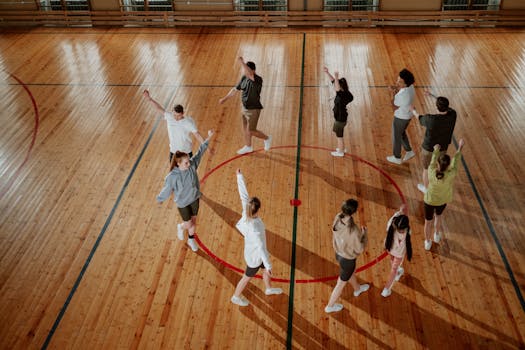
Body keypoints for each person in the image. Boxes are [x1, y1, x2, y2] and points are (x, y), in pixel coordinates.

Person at [231, 169, 282, 307]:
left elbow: (243, 195)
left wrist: (239, 177)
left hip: (255, 253)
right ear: (257, 210)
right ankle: (236, 296)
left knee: (265, 270)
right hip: (255, 257)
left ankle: (268, 288)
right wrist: (269, 264)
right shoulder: (255, 230)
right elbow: (260, 248)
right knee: (246, 278)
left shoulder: (246, 210)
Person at [157, 130, 214, 252]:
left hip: (194, 199)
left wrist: (208, 138)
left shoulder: (192, 165)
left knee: (193, 222)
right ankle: (181, 226)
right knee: (188, 225)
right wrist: (160, 199)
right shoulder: (173, 176)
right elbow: (167, 189)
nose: (189, 163)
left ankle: (191, 239)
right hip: (183, 203)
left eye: (189, 161)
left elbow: (199, 153)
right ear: (178, 164)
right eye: (186, 162)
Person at [219, 57, 271, 155]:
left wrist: (241, 62)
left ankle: (267, 138)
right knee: (245, 128)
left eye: (247, 69)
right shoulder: (244, 78)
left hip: (254, 109)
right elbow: (235, 89)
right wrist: (224, 98)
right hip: (244, 107)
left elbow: (250, 74)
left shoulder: (258, 79)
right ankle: (248, 147)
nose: (245, 72)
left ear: (253, 70)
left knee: (251, 130)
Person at [325, 199, 369, 313]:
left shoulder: (337, 218)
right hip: (348, 260)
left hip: (338, 254)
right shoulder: (353, 231)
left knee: (350, 273)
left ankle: (357, 289)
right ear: (353, 212)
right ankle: (330, 306)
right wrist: (364, 235)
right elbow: (360, 248)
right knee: (340, 284)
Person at [411, 91, 457, 193]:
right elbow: (447, 107)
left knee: (426, 169)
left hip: (428, 149)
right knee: (438, 167)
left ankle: (426, 189)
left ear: (436, 107)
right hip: (443, 148)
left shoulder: (431, 119)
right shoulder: (453, 115)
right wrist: (432, 96)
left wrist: (413, 111)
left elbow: (419, 117)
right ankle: (437, 184)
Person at [423, 139, 465, 251]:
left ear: (438, 163)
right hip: (442, 201)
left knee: (428, 222)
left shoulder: (432, 171)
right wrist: (459, 148)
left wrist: (436, 150)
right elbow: (456, 162)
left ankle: (427, 242)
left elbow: (432, 162)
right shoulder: (451, 174)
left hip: (429, 201)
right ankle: (436, 235)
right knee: (438, 217)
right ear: (448, 166)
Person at [143, 90, 205, 162]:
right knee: (173, 172)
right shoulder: (170, 117)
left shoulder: (189, 122)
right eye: (174, 115)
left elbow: (197, 135)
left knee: (189, 172)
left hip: (186, 152)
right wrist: (149, 99)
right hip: (174, 152)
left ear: (183, 113)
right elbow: (158, 108)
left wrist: (207, 147)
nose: (176, 118)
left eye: (178, 116)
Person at [381, 205, 412, 297]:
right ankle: (386, 289)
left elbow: (395, 218)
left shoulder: (391, 224)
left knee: (393, 263)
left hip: (389, 248)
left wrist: (400, 212)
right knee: (393, 270)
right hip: (398, 254)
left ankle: (398, 272)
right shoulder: (408, 232)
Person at [323, 67, 354, 157]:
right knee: (339, 134)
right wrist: (327, 73)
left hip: (340, 119)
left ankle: (340, 152)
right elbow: (334, 82)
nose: (335, 85)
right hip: (342, 118)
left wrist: (336, 77)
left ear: (340, 86)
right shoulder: (345, 93)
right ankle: (342, 148)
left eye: (337, 84)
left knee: (339, 137)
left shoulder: (341, 95)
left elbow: (336, 86)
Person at [386, 69, 416, 165]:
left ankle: (397, 157)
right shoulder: (410, 87)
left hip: (400, 117)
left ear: (405, 84)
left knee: (396, 136)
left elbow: (393, 107)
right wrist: (396, 88)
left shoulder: (403, 96)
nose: (397, 82)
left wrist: (391, 92)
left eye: (400, 82)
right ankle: (409, 151)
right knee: (401, 133)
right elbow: (401, 89)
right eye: (398, 80)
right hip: (408, 115)